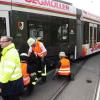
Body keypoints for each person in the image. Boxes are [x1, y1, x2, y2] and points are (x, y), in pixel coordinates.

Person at [0, 36, 24, 100]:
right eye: (0, 41)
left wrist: (1, 85)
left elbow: (7, 71)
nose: (0, 43)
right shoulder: (7, 51)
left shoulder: (10, 53)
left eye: (3, 42)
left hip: (11, 84)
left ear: (9, 42)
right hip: (12, 83)